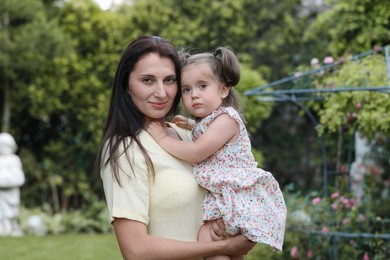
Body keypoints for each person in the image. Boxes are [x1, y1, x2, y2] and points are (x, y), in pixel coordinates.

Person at [95, 35, 255, 260]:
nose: (162, 93)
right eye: (148, 80)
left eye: (169, 80)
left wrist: (226, 225)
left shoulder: (188, 134)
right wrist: (222, 248)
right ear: (126, 86)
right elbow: (136, 251)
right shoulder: (126, 150)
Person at [147, 47, 287, 260]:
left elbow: (196, 152)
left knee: (207, 237)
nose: (194, 94)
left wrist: (162, 138)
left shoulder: (227, 119)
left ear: (223, 90)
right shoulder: (215, 120)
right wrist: (190, 123)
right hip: (228, 194)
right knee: (227, 247)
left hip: (238, 195)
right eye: (186, 89)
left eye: (202, 86)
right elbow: (208, 133)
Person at [0, 132, 25, 237]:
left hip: (10, 194)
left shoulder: (14, 159)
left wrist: (5, 181)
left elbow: (19, 178)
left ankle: (11, 227)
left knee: (10, 214)